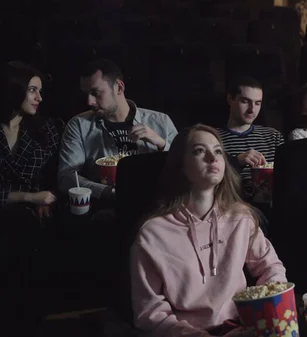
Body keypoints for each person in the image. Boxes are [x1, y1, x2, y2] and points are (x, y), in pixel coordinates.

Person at [131, 124, 287, 336]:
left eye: (218, 151)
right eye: (199, 151)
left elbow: (271, 268)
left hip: (244, 327)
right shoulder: (152, 234)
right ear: (181, 165)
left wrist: (261, 315)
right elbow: (150, 314)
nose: (212, 159)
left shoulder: (241, 217)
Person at [58, 58, 177, 200]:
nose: (89, 102)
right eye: (86, 94)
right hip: (106, 204)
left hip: (155, 202)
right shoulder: (79, 125)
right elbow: (66, 178)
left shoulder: (160, 121)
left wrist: (160, 143)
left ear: (119, 88)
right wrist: (108, 192)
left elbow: (184, 169)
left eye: (96, 93)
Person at [0, 61, 60, 221]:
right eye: (32, 90)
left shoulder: (46, 129)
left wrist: (47, 200)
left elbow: (54, 175)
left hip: (33, 213)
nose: (39, 98)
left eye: (40, 91)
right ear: (14, 90)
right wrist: (30, 197)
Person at [217, 77, 284, 199]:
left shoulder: (274, 136)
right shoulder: (213, 139)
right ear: (230, 99)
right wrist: (237, 162)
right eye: (245, 101)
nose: (252, 109)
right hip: (230, 206)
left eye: (257, 103)